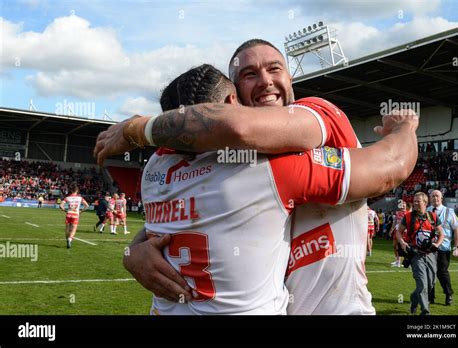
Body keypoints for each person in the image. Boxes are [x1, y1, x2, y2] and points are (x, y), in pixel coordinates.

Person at [94, 42, 419, 313]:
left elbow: (240, 128)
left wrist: (137, 128)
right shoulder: (263, 166)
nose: (264, 81)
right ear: (234, 98)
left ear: (290, 77)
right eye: (249, 74)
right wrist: (133, 253)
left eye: (274, 69)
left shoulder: (156, 168)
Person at [396, 192, 444, 315]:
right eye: (414, 201)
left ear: (425, 202)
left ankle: (413, 299)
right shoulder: (407, 217)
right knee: (422, 283)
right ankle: (425, 311)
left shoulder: (433, 217)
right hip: (415, 254)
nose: (415, 203)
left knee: (431, 283)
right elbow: (399, 232)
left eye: (418, 201)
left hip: (430, 254)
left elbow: (441, 234)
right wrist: (402, 243)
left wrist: (437, 244)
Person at [427, 190, 458, 305]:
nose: (435, 198)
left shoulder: (449, 211)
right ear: (429, 198)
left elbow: (456, 229)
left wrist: (457, 247)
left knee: (442, 273)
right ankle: (430, 297)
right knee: (429, 272)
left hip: (443, 247)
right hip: (428, 248)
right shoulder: (426, 211)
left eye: (437, 196)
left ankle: (448, 294)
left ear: (441, 198)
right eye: (433, 196)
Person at [59, 184, 89, 249]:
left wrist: (65, 210)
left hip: (69, 214)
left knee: (67, 229)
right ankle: (70, 239)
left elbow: (61, 205)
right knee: (74, 229)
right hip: (75, 214)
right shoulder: (80, 198)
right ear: (77, 190)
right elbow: (87, 205)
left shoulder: (67, 197)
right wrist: (81, 211)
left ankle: (67, 239)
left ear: (71, 190)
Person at [389, 200, 407, 267]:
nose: (402, 205)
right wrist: (391, 229)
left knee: (402, 246)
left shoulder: (407, 213)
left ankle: (404, 261)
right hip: (396, 230)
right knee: (394, 245)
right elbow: (395, 222)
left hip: (404, 232)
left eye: (404, 204)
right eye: (401, 204)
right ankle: (397, 260)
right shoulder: (397, 213)